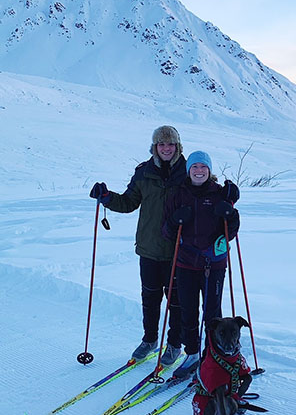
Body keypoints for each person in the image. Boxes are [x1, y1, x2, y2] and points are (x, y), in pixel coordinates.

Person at [89, 125, 186, 363]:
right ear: (154, 147)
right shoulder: (143, 172)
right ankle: (150, 340)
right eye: (161, 144)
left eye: (170, 144)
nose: (166, 148)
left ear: (177, 146)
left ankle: (174, 344)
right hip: (149, 248)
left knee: (177, 302)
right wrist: (107, 197)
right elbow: (129, 202)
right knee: (150, 299)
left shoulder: (187, 171)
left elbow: (205, 192)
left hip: (179, 250)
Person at [163, 150, 240, 378]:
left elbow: (231, 232)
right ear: (189, 170)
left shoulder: (219, 194)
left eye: (203, 167)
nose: (199, 171)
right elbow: (166, 231)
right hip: (186, 262)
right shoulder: (178, 194)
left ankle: (213, 355)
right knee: (188, 311)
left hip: (213, 264)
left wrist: (230, 213)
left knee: (212, 313)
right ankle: (193, 354)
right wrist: (176, 220)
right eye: (194, 167)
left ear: (209, 170)